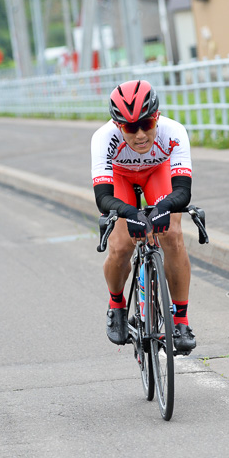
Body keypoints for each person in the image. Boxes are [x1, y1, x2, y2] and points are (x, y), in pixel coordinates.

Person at [91, 80, 196, 351]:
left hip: (156, 173)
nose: (139, 135)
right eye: (130, 127)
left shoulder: (174, 132)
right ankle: (116, 305)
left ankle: (181, 320)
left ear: (157, 117)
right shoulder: (103, 138)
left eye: (147, 124)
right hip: (120, 177)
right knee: (121, 245)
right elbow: (103, 198)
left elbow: (183, 192)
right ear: (117, 125)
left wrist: (161, 209)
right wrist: (130, 213)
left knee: (172, 235)